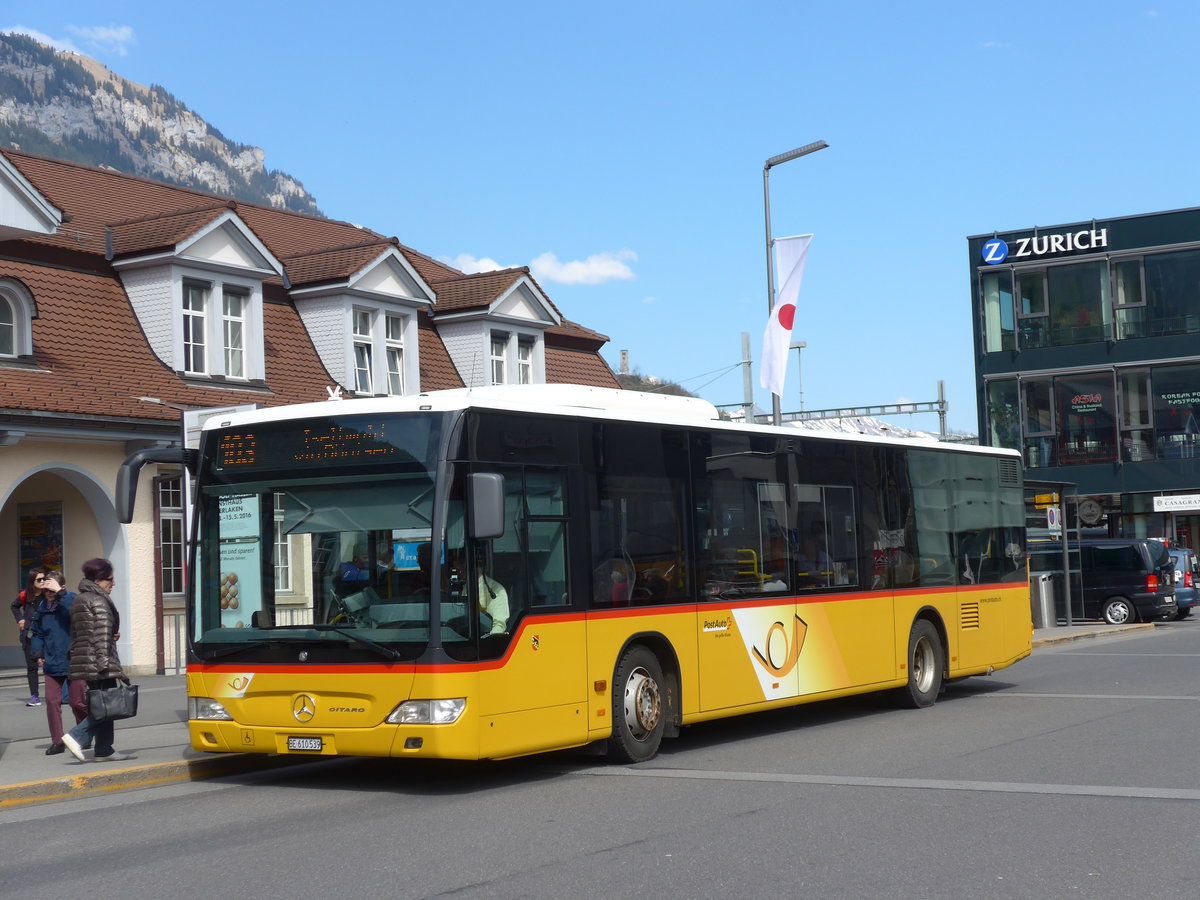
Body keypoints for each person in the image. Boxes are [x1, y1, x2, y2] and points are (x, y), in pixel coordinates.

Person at [61, 558, 133, 763]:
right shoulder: (99, 600)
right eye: (110, 580)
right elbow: (100, 635)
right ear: (99, 579)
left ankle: (104, 749)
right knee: (107, 706)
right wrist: (105, 663)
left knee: (103, 704)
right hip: (100, 661)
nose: (113, 583)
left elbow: (81, 633)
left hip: (85, 660)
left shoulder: (80, 599)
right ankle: (75, 736)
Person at [29, 570, 88, 755]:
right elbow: (37, 632)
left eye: (52, 589)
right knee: (52, 702)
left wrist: (60, 594)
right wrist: (38, 652)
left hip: (74, 661)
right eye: (46, 590)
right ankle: (58, 741)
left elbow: (77, 611)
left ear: (61, 587)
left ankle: (84, 734)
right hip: (52, 662)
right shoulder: (42, 607)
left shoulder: (71, 600)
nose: (49, 593)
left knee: (78, 702)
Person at [11, 567, 44, 706]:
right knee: (32, 667)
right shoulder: (25, 595)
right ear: (32, 581)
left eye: (44, 578)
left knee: (51, 665)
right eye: (39, 579)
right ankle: (35, 696)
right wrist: (20, 619)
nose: (43, 581)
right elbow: (14, 606)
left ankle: (59, 695)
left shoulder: (49, 594)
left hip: (45, 635)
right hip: (29, 635)